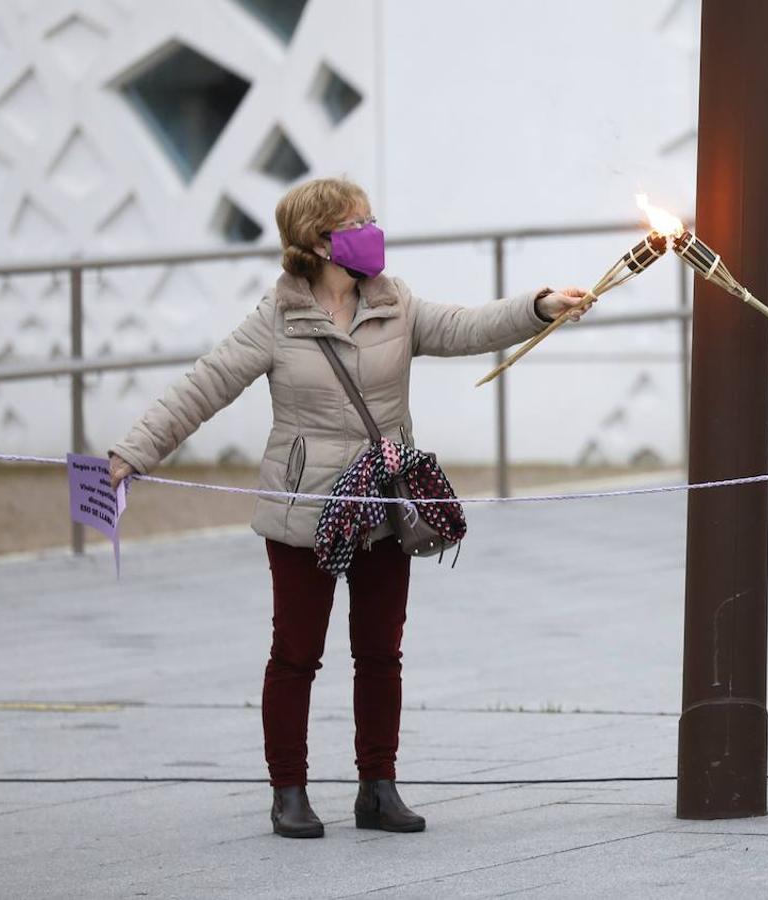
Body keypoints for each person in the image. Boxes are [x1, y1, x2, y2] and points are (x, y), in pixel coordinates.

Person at [107, 177, 588, 838]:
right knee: (296, 653)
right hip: (303, 509)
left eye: (370, 216)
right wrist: (132, 452)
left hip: (384, 506)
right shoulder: (276, 318)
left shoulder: (395, 302)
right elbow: (204, 385)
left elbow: (468, 327)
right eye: (355, 221)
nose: (371, 229)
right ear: (316, 241)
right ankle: (289, 792)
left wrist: (540, 305)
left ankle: (378, 787)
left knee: (380, 652)